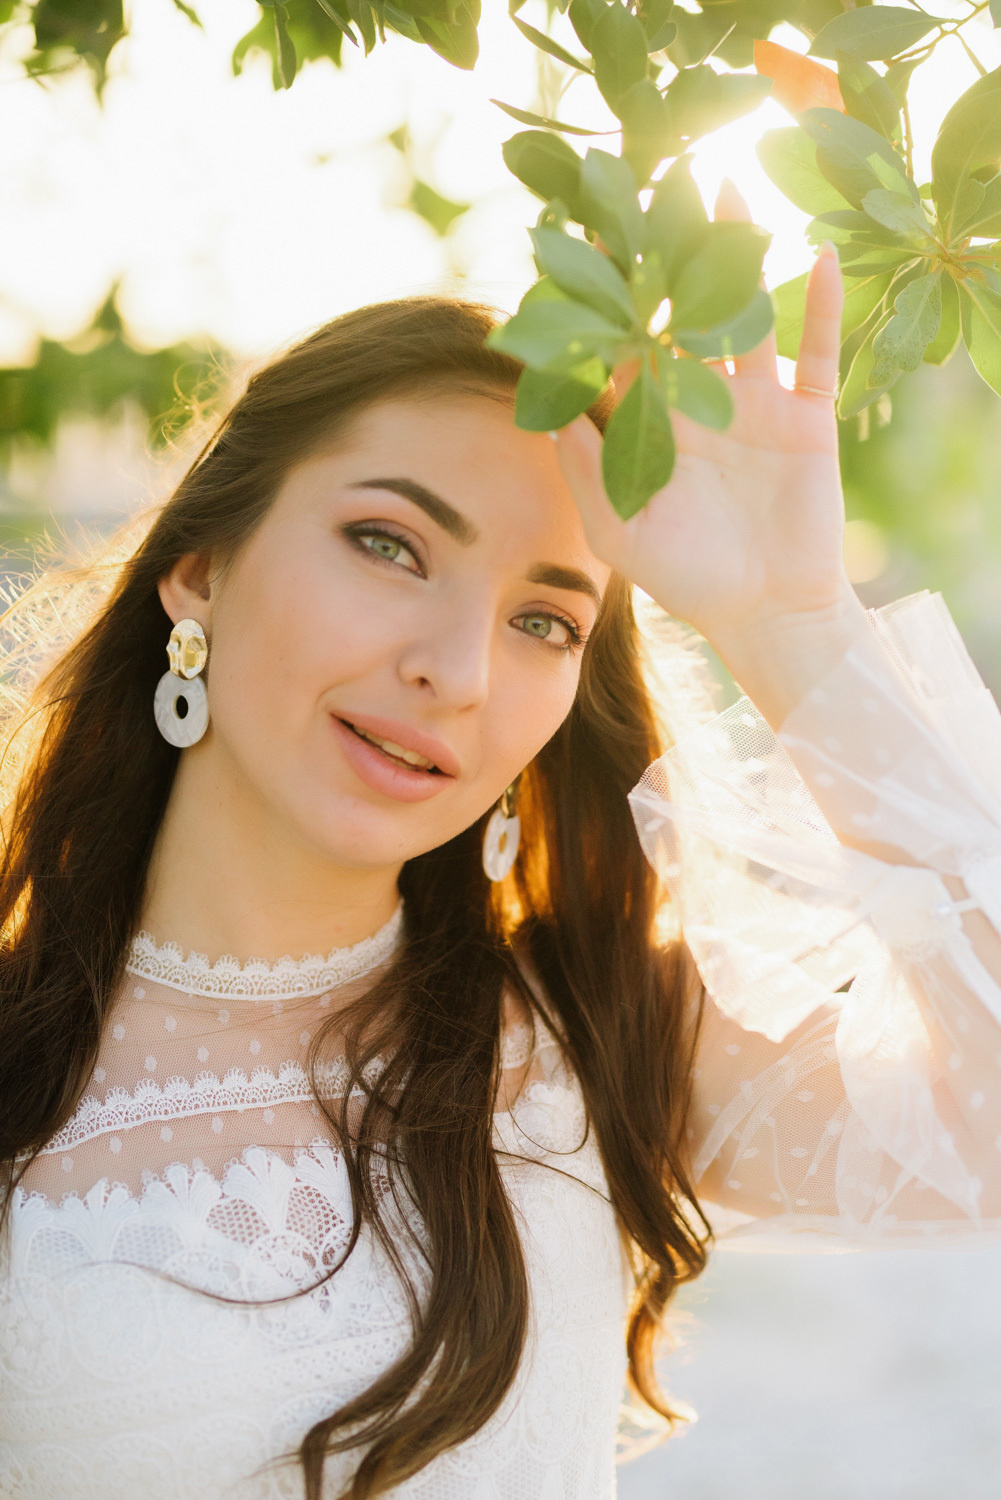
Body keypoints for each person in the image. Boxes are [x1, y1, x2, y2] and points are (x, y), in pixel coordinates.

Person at [2, 219, 1001, 1500]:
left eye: (543, 620)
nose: (456, 675)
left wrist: (786, 618)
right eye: (388, 545)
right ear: (200, 569)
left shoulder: (593, 1029)